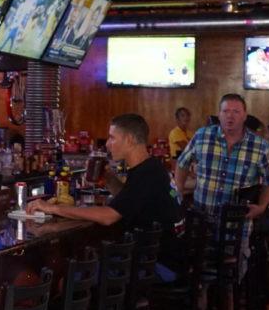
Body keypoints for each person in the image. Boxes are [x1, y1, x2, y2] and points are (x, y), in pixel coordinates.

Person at [26, 113, 185, 282]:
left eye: (112, 138)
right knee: (82, 263)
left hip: (158, 267)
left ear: (129, 139)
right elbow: (130, 200)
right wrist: (109, 179)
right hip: (161, 259)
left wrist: (52, 208)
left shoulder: (145, 174)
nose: (108, 144)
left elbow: (109, 216)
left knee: (73, 275)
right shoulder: (151, 168)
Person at [175, 93, 269, 228]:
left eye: (236, 112)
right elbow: (182, 163)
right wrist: (178, 189)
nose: (230, 116)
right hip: (201, 222)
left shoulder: (260, 146)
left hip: (237, 226)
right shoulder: (202, 136)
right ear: (219, 114)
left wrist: (261, 206)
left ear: (244, 116)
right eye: (225, 111)